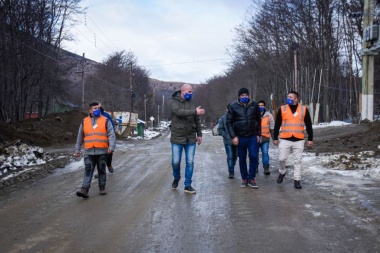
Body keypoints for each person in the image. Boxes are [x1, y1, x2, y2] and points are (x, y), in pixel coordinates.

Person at [73, 101, 116, 198]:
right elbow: (80, 137)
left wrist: (111, 147)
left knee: (101, 170)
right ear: (90, 110)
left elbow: (111, 135)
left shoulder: (105, 120)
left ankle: (102, 187)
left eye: (98, 108)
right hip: (89, 151)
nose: (97, 110)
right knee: (88, 170)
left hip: (102, 151)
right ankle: (85, 189)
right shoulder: (84, 121)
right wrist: (77, 150)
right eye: (95, 108)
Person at [273, 91, 313, 189]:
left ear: (296, 99)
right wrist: (275, 137)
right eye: (288, 97)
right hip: (285, 138)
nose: (288, 98)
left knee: (297, 160)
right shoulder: (283, 109)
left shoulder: (304, 109)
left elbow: (308, 124)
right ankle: (282, 172)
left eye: (290, 97)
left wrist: (310, 138)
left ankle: (297, 180)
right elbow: (277, 124)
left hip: (299, 139)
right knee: (282, 159)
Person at [170, 83, 205, 194]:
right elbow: (179, 112)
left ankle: (187, 185)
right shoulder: (173, 102)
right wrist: (195, 111)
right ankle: (176, 177)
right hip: (177, 137)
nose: (191, 94)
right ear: (183, 91)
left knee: (190, 162)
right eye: (189, 92)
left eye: (191, 92)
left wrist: (199, 134)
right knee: (176, 162)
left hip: (190, 138)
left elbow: (197, 120)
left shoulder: (192, 103)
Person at [226, 88, 261, 188]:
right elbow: (228, 122)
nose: (244, 97)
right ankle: (244, 178)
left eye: (246, 95)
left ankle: (251, 178)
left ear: (249, 96)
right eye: (242, 95)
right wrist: (233, 136)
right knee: (242, 158)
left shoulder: (254, 105)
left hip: (252, 136)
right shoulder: (233, 106)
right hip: (240, 137)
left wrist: (258, 134)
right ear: (239, 96)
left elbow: (259, 120)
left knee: (254, 156)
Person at [217, 103, 237, 178]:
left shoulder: (237, 117)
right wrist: (225, 135)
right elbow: (220, 129)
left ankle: (232, 165)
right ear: (227, 109)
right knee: (230, 156)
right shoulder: (223, 118)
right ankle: (231, 172)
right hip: (227, 141)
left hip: (237, 140)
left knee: (235, 156)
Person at [256, 100, 274, 175]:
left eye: (262, 105)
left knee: (265, 153)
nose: (260, 107)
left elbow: (272, 127)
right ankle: (255, 167)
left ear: (264, 106)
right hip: (255, 138)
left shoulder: (269, 115)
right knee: (254, 154)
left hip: (265, 138)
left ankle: (266, 167)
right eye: (259, 105)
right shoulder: (253, 115)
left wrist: (274, 138)